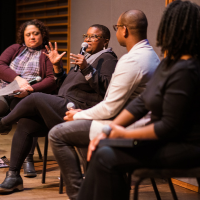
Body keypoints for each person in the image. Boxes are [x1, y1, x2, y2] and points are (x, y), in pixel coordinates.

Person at [76, 1, 200, 200]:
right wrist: (111, 128)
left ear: (174, 29)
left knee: (106, 155)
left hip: (185, 146)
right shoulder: (169, 63)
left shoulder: (188, 70)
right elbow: (142, 102)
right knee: (104, 149)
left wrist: (122, 134)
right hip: (164, 138)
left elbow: (168, 127)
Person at [48, 10, 160, 200]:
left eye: (117, 28)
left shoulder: (131, 60)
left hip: (130, 127)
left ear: (123, 31)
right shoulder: (151, 55)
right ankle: (95, 188)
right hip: (133, 121)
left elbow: (110, 108)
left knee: (57, 134)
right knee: (79, 130)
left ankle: (79, 195)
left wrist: (78, 115)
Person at [0, 24, 117, 193]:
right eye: (87, 36)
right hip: (64, 103)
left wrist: (86, 68)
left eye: (94, 37)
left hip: (79, 110)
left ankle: (4, 123)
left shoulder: (108, 59)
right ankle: (13, 177)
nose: (87, 40)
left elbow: (106, 89)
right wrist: (57, 68)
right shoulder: (85, 57)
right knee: (26, 123)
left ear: (105, 41)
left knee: (35, 97)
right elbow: (64, 86)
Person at [0, 19, 57, 177]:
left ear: (42, 35)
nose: (32, 37)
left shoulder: (47, 53)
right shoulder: (15, 48)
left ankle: (28, 158)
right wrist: (18, 79)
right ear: (23, 37)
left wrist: (30, 88)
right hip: (5, 89)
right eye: (28, 34)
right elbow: (1, 64)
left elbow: (52, 80)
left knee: (27, 115)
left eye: (35, 33)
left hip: (29, 94)